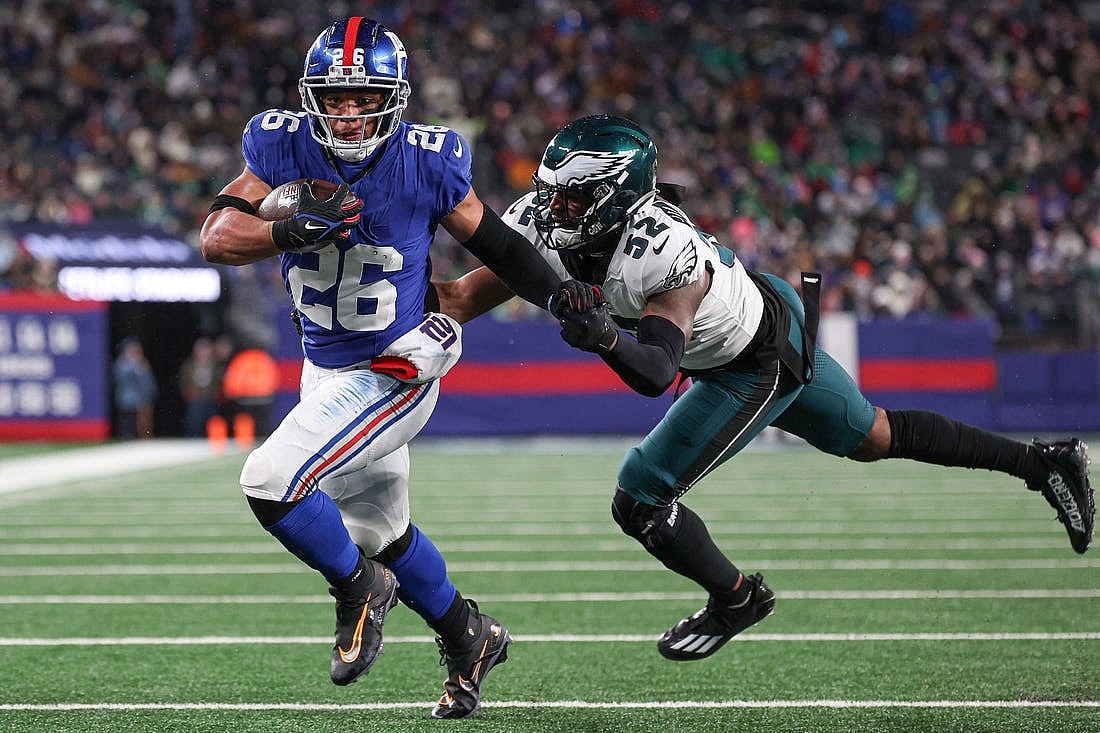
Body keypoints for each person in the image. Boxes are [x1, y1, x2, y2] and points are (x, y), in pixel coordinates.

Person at [434, 114, 1095, 662]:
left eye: (572, 197)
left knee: (639, 495)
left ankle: (736, 596)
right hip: (757, 309)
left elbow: (657, 371)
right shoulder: (553, 224)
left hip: (752, 357)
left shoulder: (663, 252)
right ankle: (1043, 461)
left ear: (615, 198)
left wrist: (603, 335)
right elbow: (460, 298)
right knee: (875, 436)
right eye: (553, 190)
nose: (553, 207)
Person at [199, 17, 572, 718]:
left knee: (270, 479)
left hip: (396, 366)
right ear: (314, 97)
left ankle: (358, 589)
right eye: (334, 97)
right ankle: (469, 634)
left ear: (391, 98)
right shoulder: (280, 146)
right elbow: (218, 236)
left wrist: (560, 298)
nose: (345, 112)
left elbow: (500, 244)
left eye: (361, 97)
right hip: (324, 367)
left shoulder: (428, 159)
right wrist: (285, 227)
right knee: (378, 529)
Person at [112, 337, 157, 439]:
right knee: (127, 423)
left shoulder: (142, 363)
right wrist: (135, 366)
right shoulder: (122, 363)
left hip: (142, 399)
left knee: (143, 425)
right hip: (126, 400)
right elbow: (120, 378)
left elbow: (148, 382)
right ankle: (126, 438)